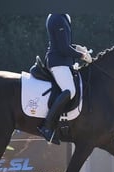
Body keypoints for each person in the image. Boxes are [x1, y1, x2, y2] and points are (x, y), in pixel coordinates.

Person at [37, 13, 92, 145]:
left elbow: (64, 43)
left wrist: (76, 48)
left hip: (63, 62)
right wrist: (82, 55)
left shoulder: (62, 16)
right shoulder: (57, 18)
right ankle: (47, 127)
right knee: (70, 90)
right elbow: (63, 48)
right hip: (58, 62)